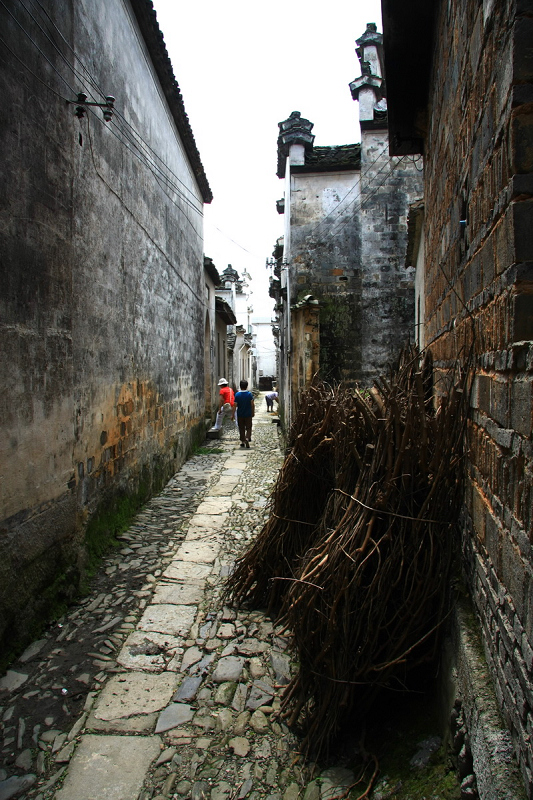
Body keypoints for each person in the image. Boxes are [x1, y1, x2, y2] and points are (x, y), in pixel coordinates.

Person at [234, 380, 255, 448]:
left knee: (241, 428)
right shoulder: (249, 394)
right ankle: (247, 438)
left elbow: (235, 405)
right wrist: (253, 412)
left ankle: (243, 441)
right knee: (249, 427)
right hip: (248, 414)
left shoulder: (237, 395)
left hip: (240, 414)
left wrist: (232, 414)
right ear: (247, 386)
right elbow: (252, 404)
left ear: (240, 386)